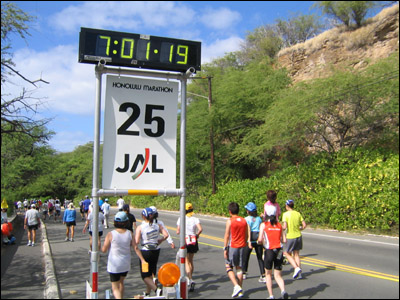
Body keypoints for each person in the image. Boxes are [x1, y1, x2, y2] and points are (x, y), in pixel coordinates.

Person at [101, 211, 147, 299]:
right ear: (126, 222)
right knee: (121, 283)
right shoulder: (129, 233)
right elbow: (136, 248)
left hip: (114, 264)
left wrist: (98, 248)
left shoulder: (111, 234)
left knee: (115, 287)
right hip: (125, 263)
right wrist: (142, 259)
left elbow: (104, 250)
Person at [135, 207, 169, 297]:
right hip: (156, 250)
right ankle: (147, 292)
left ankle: (156, 290)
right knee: (151, 272)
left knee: (145, 275)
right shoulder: (157, 226)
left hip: (146, 251)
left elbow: (137, 241)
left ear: (143, 216)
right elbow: (166, 235)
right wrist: (160, 240)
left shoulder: (140, 227)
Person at [258, 205, 289, 299]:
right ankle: (283, 290)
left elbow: (260, 239)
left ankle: (271, 295)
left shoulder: (264, 225)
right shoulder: (279, 225)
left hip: (269, 250)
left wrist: (261, 242)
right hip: (279, 250)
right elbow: (284, 240)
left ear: (266, 214)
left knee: (268, 274)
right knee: (278, 275)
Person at [223, 202, 248, 298]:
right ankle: (240, 289)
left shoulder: (230, 221)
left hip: (233, 246)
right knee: (239, 268)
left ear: (230, 212)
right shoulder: (243, 220)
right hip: (242, 246)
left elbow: (227, 235)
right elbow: (246, 234)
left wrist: (225, 248)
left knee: (228, 266)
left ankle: (236, 285)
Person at [176, 203, 202, 292]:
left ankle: (190, 279)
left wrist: (179, 231)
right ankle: (190, 277)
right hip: (194, 240)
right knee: (191, 260)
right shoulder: (195, 219)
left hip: (186, 240)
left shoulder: (181, 219)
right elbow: (200, 229)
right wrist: (197, 235)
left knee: (186, 261)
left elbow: (178, 231)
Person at [282, 199, 307, 280]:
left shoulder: (285, 214)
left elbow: (285, 227)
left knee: (286, 253)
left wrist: (280, 228)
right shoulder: (298, 213)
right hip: (298, 236)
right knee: (296, 254)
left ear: (287, 206)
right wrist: (299, 229)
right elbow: (304, 225)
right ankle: (299, 274)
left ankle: (296, 268)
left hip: (290, 236)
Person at [242, 202, 265, 283]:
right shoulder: (259, 218)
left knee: (245, 256)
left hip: (250, 239)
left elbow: (246, 230)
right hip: (258, 239)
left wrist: (247, 240)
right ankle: (263, 274)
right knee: (259, 258)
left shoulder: (246, 219)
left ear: (248, 211)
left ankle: (244, 272)